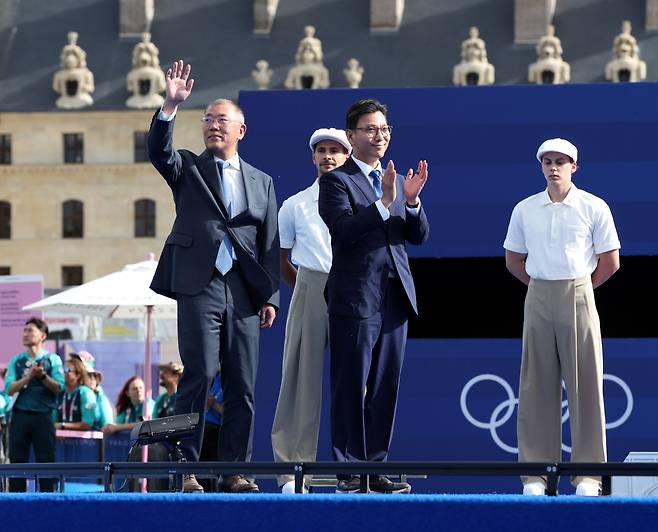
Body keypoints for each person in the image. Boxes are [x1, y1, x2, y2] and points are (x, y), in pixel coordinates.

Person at [148, 60, 279, 493]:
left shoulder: (262, 181)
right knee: (199, 374)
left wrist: (271, 297)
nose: (212, 127)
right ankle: (185, 470)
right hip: (199, 284)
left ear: (242, 129)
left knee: (242, 383)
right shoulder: (187, 168)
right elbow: (158, 152)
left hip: (242, 290)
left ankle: (235, 471)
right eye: (206, 121)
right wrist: (169, 106)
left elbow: (270, 243)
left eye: (221, 120)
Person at [318, 99, 430, 494]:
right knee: (350, 383)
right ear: (351, 136)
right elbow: (344, 231)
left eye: (384, 129)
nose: (379, 136)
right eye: (370, 129)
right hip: (355, 297)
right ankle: (348, 471)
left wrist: (411, 201)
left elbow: (416, 237)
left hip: (395, 297)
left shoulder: (396, 180)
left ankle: (376, 467)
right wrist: (384, 203)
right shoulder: (336, 180)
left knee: (385, 386)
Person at [503, 138, 621, 497]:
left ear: (574, 167)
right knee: (535, 385)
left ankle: (588, 476)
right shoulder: (525, 208)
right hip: (537, 292)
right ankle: (536, 475)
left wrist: (579, 288)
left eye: (562, 162)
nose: (554, 167)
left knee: (585, 385)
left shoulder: (593, 206)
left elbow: (611, 261)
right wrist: (542, 286)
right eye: (548, 161)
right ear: (540, 166)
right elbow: (513, 260)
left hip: (580, 292)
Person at [271, 127, 351, 494]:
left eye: (335, 150)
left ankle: (354, 470)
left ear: (348, 156)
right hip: (310, 285)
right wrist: (306, 288)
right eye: (321, 150)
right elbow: (283, 259)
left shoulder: (362, 200)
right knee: (300, 378)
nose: (328, 156)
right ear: (313, 157)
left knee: (355, 381)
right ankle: (292, 471)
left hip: (353, 288)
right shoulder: (295, 204)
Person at [4, 317, 65, 492]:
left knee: (46, 461)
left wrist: (42, 376)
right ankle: (16, 501)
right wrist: (28, 377)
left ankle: (48, 500)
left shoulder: (53, 359)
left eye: (30, 330)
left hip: (44, 417)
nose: (26, 334)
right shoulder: (16, 360)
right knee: (17, 461)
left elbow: (59, 387)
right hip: (20, 416)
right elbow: (9, 389)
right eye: (25, 330)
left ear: (43, 336)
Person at [54, 356, 96, 431]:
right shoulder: (60, 393)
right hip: (61, 441)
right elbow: (53, 422)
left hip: (83, 441)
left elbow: (87, 424)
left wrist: (63, 426)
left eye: (68, 370)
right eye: (63, 370)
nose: (64, 373)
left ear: (78, 375)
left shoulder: (85, 393)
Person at [198, 372, 224, 493]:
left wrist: (213, 404)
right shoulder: (212, 377)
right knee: (201, 472)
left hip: (217, 431)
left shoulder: (227, 379)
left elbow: (229, 413)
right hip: (203, 430)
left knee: (216, 471)